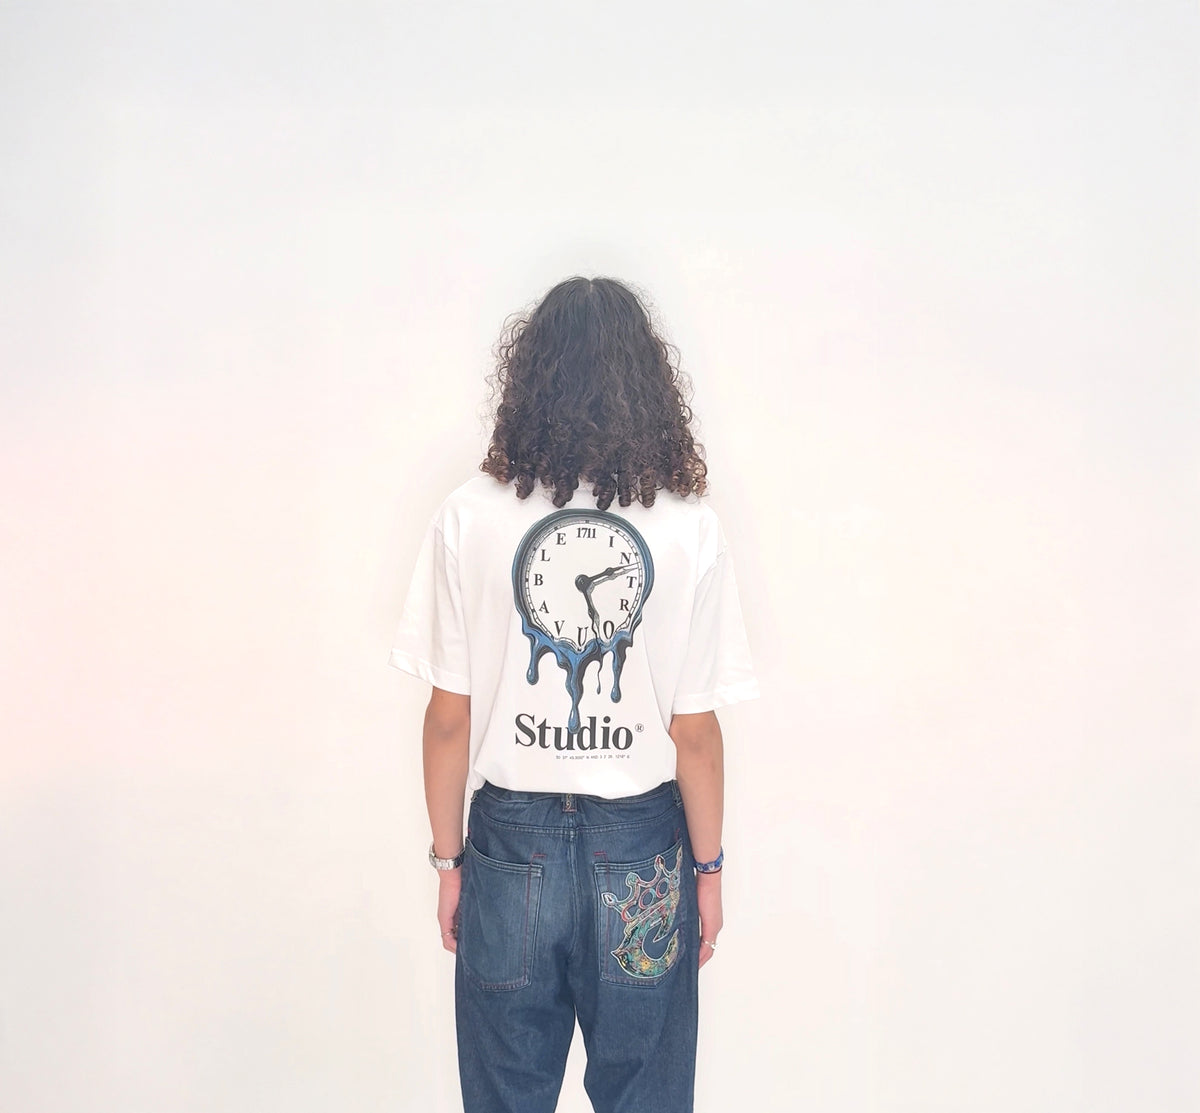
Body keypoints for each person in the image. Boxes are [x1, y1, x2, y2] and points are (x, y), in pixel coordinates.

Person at [388, 276, 759, 1113]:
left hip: (508, 851)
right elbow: (695, 733)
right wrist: (707, 871)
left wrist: (450, 863)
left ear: (528, 379)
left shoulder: (468, 515)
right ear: (648, 385)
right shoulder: (687, 525)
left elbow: (447, 720)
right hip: (642, 848)